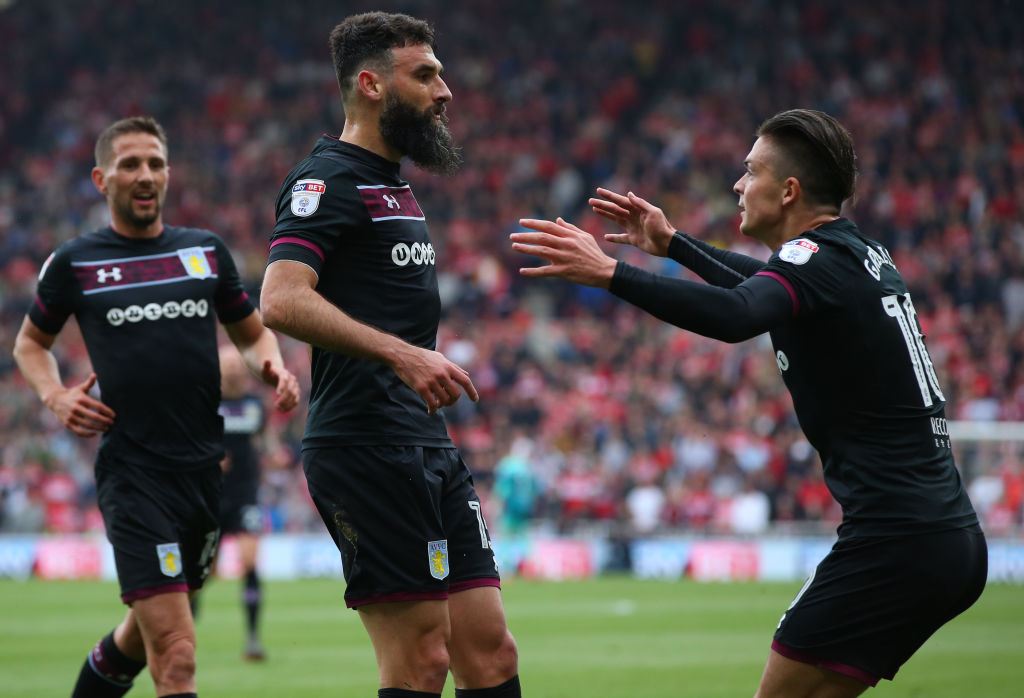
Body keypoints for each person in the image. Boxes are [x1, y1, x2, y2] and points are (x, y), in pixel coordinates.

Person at [511, 108, 987, 697]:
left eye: (751, 171)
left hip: (896, 540)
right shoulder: (855, 253)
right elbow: (759, 286)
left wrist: (613, 275)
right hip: (943, 533)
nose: (738, 184)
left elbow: (739, 314)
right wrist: (672, 244)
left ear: (788, 191)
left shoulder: (816, 262)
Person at [259, 12, 520, 698]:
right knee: (422, 661)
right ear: (372, 85)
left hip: (423, 441)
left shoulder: (393, 183)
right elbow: (280, 300)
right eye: (425, 74)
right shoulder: (326, 180)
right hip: (365, 445)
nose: (445, 91)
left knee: (490, 652)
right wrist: (402, 355)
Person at [12, 116, 301, 698]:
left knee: (139, 639)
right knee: (177, 653)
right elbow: (30, 344)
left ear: (168, 174)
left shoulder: (204, 252)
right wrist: (55, 394)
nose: (145, 174)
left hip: (203, 476)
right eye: (130, 164)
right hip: (135, 474)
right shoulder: (76, 263)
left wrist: (270, 364)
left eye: (155, 163)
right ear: (102, 179)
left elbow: (251, 335)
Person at [192, 345, 273, 661]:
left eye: (238, 366)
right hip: (210, 496)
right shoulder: (205, 402)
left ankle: (253, 639)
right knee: (204, 572)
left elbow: (263, 440)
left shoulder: (255, 404)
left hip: (245, 494)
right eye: (229, 366)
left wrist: (273, 455)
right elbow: (191, 442)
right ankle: (183, 635)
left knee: (250, 562)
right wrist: (209, 459)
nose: (235, 371)